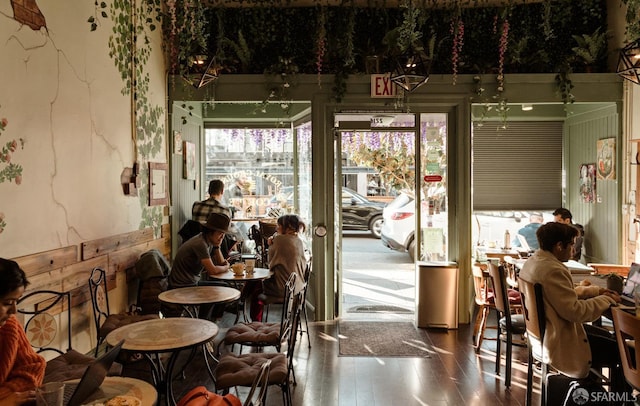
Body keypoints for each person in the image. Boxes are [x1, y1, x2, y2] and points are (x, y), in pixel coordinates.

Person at [518, 223, 623, 386]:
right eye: (572, 244)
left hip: (544, 336)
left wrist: (595, 292)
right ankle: (615, 399)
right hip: (560, 341)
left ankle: (592, 393)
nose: (573, 249)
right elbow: (576, 312)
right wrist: (608, 300)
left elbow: (561, 294)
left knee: (610, 339)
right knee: (623, 352)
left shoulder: (534, 262)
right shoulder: (553, 270)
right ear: (559, 246)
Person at [0, 258, 46, 405]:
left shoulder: (9, 326)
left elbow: (33, 368)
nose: (14, 311)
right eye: (7, 303)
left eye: (16, 301)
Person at [168, 213, 232, 319]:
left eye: (224, 234)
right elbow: (212, 270)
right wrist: (226, 267)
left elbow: (220, 262)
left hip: (191, 283)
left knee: (223, 287)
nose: (222, 237)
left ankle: (209, 320)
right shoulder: (200, 244)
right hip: (181, 286)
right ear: (210, 231)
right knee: (219, 291)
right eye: (220, 233)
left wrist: (217, 247)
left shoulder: (207, 241)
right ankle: (205, 321)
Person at [247, 214, 307, 322]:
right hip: (298, 287)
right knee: (255, 284)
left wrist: (271, 242)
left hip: (283, 289)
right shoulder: (299, 240)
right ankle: (241, 301)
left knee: (255, 285)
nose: (276, 228)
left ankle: (255, 321)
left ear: (288, 227)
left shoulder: (280, 240)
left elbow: (269, 263)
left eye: (278, 225)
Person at [191, 179, 240, 257]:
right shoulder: (225, 210)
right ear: (222, 191)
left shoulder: (196, 205)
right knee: (231, 235)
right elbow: (226, 230)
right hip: (215, 248)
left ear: (209, 191)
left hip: (195, 244)